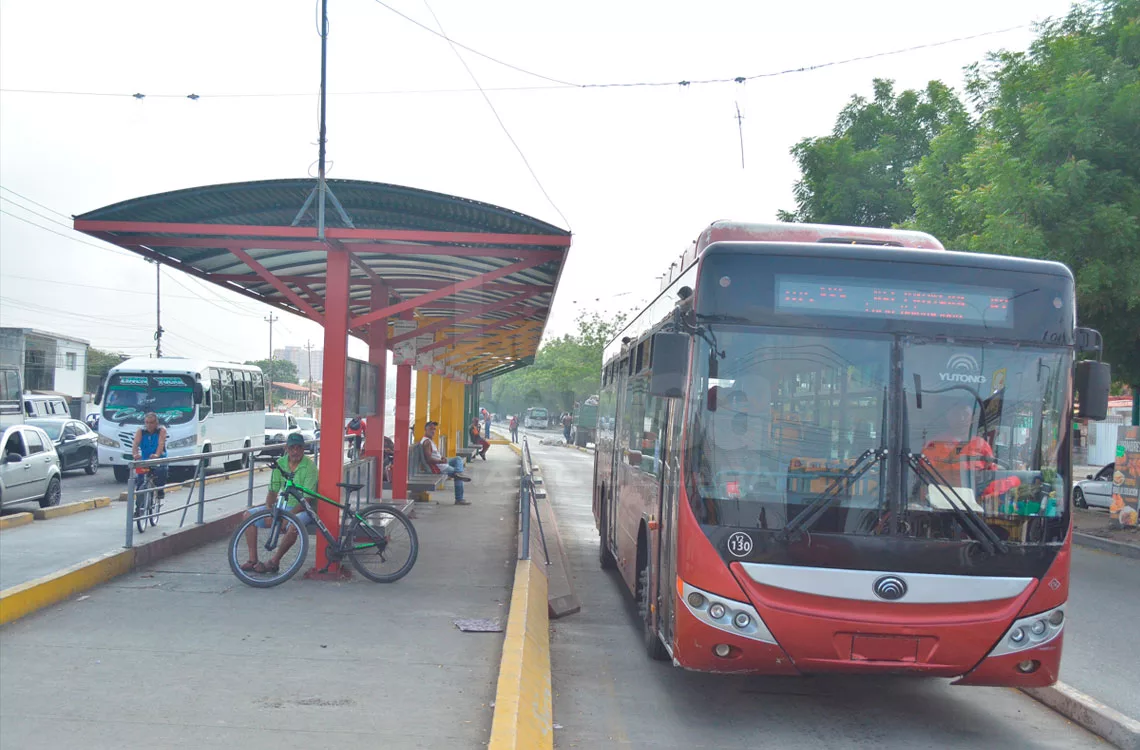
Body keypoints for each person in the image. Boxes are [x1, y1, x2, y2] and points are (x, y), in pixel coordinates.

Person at [239, 432, 316, 574]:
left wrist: (288, 516)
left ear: (303, 449)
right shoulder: (280, 464)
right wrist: (270, 509)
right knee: (248, 515)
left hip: (301, 509)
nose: (295, 451)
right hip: (281, 507)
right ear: (286, 448)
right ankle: (252, 559)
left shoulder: (310, 467)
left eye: (299, 448)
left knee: (293, 526)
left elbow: (307, 499)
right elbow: (273, 491)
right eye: (292, 448)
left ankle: (274, 561)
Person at [421, 421, 472, 505]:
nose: (433, 431)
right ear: (425, 430)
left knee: (457, 459)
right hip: (438, 467)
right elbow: (429, 459)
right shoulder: (427, 442)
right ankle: (459, 499)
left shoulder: (429, 441)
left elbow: (434, 455)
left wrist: (441, 458)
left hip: (440, 463)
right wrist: (440, 461)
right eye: (430, 429)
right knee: (458, 476)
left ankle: (458, 472)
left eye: (434, 429)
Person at [132, 412, 168, 501]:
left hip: (159, 460)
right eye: (147, 422)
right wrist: (135, 454)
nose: (149, 425)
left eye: (151, 423)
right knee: (140, 481)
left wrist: (156, 455)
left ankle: (160, 490)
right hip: (145, 460)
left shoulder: (161, 430)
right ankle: (138, 508)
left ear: (156, 423)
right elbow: (135, 444)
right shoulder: (141, 431)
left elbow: (161, 444)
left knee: (161, 471)